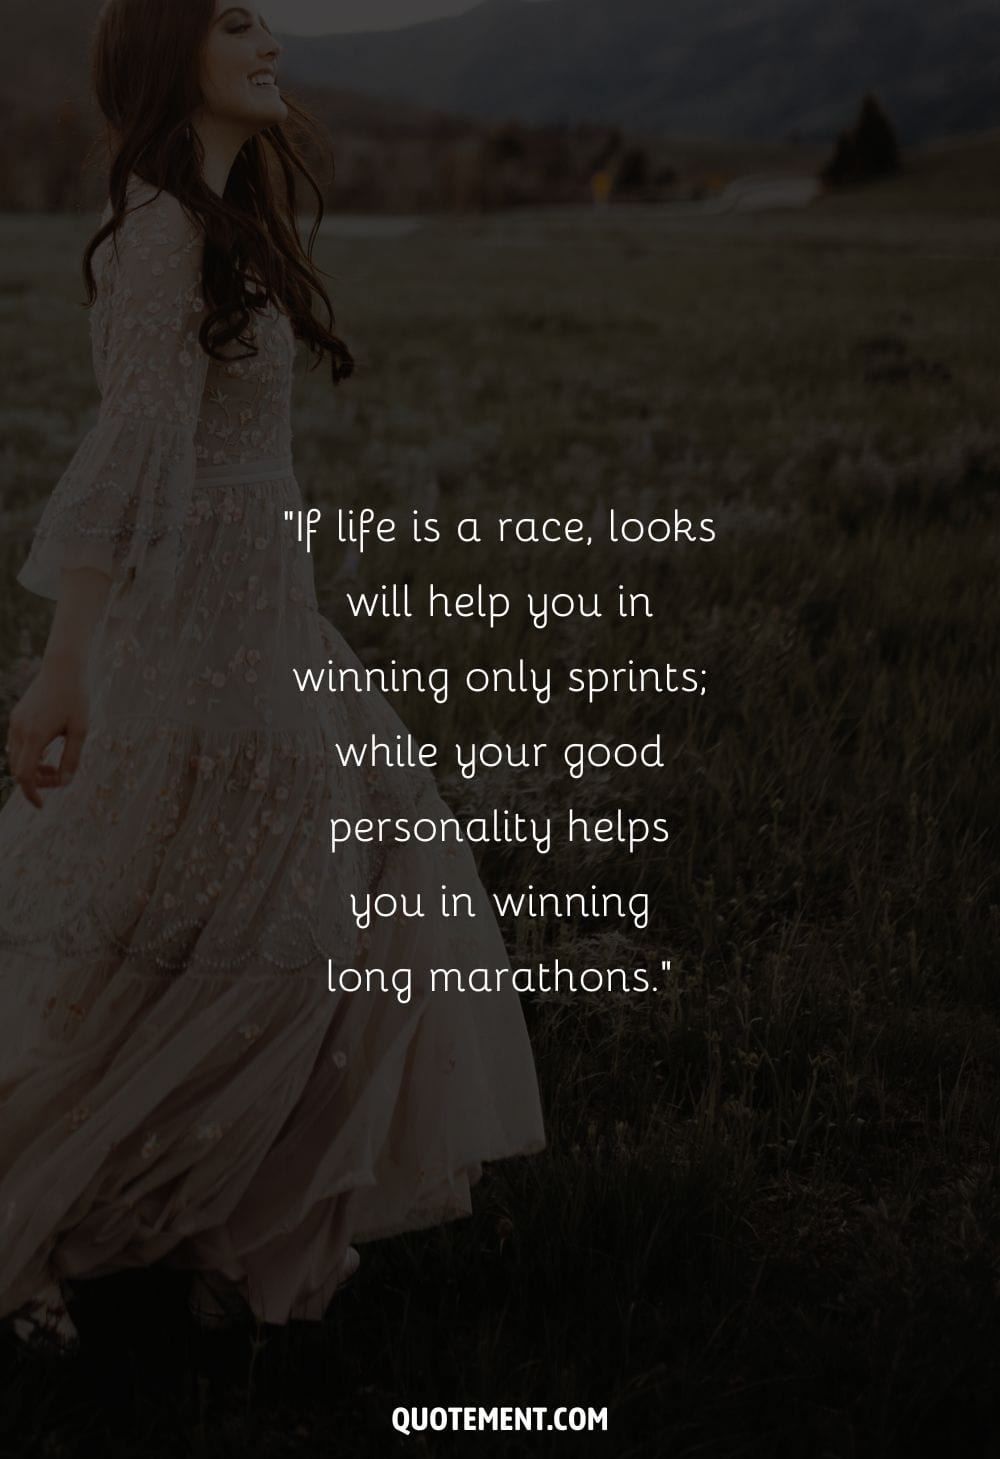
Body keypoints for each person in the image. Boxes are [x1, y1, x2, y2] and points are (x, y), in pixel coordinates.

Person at [0, 0, 545, 1354]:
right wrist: (68, 666)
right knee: (207, 939)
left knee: (275, 930)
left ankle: (215, 1218)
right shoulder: (164, 230)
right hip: (200, 643)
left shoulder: (223, 218)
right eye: (235, 19)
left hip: (262, 619)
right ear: (165, 48)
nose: (270, 40)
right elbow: (133, 447)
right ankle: (43, 1221)